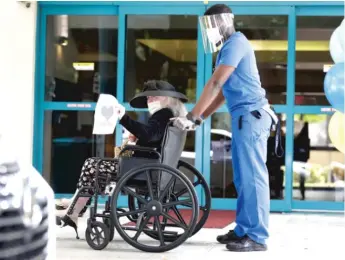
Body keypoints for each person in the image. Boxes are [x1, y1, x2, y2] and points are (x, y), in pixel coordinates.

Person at [173, 4, 282, 252]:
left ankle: (256, 236)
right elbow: (223, 92)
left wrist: (192, 115)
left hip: (251, 116)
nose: (211, 30)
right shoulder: (227, 49)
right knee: (243, 178)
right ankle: (244, 228)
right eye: (207, 26)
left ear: (224, 22)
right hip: (244, 118)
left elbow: (215, 82)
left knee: (253, 178)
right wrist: (201, 118)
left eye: (213, 24)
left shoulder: (236, 43)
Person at [56, 80, 188, 238]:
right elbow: (154, 137)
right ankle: (74, 208)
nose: (149, 100)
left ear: (167, 98)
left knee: (92, 165)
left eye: (153, 97)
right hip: (150, 165)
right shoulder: (171, 115)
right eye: (148, 98)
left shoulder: (163, 114)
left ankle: (74, 210)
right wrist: (138, 137)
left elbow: (149, 134)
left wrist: (124, 118)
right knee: (94, 168)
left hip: (142, 168)